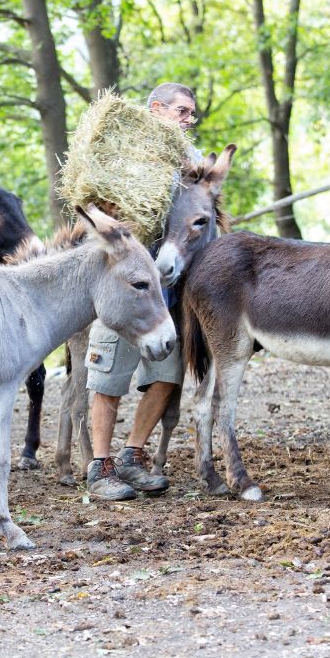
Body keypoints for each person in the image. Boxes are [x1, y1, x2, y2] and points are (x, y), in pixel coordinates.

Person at [84, 82, 199, 501]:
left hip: (169, 295)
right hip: (123, 289)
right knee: (108, 375)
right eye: (182, 112)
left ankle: (132, 457)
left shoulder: (193, 162)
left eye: (191, 114)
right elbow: (91, 211)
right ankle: (100, 469)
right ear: (156, 109)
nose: (189, 120)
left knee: (166, 375)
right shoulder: (120, 159)